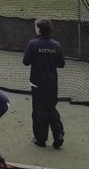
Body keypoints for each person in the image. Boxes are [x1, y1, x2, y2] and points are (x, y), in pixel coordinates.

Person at [22, 18, 66, 149]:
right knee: (51, 108)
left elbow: (26, 61)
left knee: (38, 111)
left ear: (39, 30)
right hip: (52, 83)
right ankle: (58, 133)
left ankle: (40, 139)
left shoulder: (33, 44)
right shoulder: (56, 45)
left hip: (37, 84)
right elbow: (61, 64)